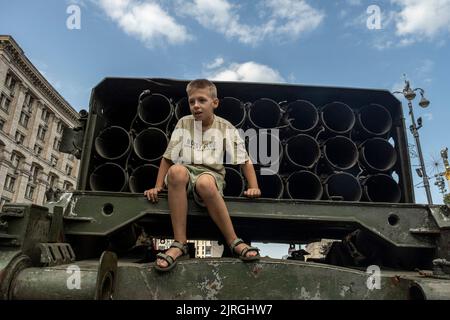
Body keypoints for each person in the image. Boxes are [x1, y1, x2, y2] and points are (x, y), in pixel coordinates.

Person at [144, 79, 262, 272]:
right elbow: (168, 158)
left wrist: (253, 186)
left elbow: (244, 160)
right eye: (192, 101)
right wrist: (158, 186)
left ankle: (233, 241)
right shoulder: (184, 123)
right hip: (186, 172)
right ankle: (179, 243)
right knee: (176, 171)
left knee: (205, 183)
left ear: (214, 103)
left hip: (211, 174)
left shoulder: (225, 127)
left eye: (202, 100)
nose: (196, 106)